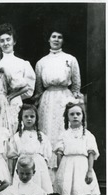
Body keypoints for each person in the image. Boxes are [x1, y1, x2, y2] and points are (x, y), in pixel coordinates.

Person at [34, 28, 83, 172]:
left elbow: (76, 84)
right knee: (47, 131)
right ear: (48, 39)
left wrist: (73, 100)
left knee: (63, 130)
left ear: (63, 40)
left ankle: (65, 170)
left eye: (59, 37)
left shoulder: (71, 59)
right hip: (47, 100)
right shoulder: (41, 62)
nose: (56, 39)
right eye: (53, 36)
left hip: (65, 98)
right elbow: (38, 87)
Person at [54, 102, 100, 195]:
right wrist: (60, 171)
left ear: (83, 116)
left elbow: (91, 153)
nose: (75, 116)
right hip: (67, 165)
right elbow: (59, 153)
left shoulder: (88, 135)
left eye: (78, 114)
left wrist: (90, 171)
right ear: (67, 117)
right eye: (72, 114)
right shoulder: (64, 134)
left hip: (82, 166)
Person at [0, 23, 36, 133]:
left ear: (14, 41)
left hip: (14, 105)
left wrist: (13, 96)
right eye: (2, 41)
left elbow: (29, 90)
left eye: (8, 39)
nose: (5, 43)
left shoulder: (22, 64)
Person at [7, 104, 53, 195]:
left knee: (38, 193)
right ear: (21, 119)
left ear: (36, 118)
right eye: (26, 116)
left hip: (38, 168)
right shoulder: (17, 137)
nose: (29, 119)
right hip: (22, 167)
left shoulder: (41, 136)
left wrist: (43, 168)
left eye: (32, 116)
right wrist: (12, 173)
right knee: (22, 193)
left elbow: (46, 156)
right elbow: (12, 156)